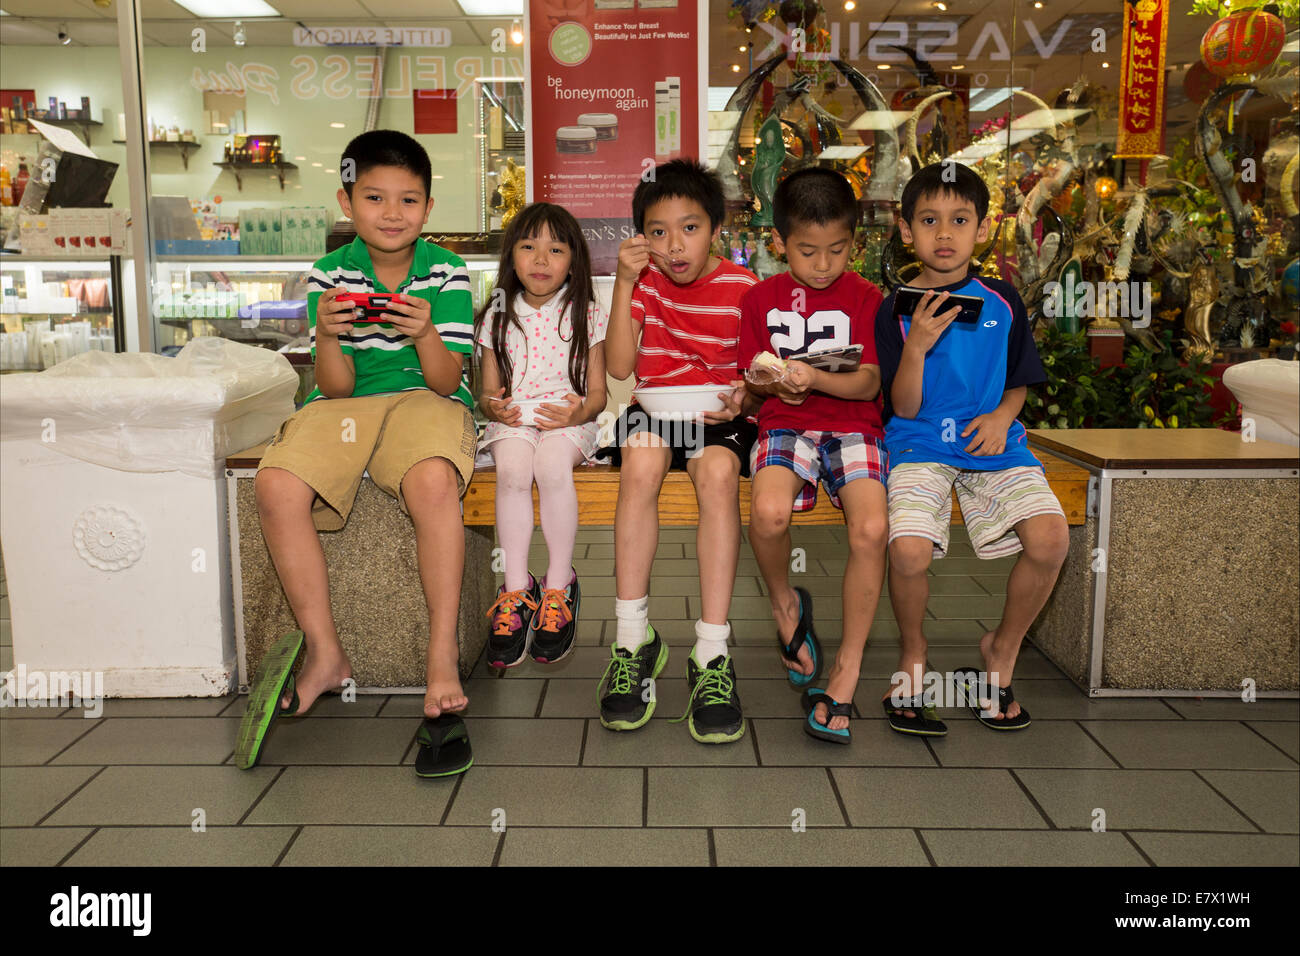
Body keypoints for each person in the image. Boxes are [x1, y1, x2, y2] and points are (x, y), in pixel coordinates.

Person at [249, 130, 478, 773]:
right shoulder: (329, 273)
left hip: (424, 400)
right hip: (345, 407)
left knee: (433, 482)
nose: (392, 212)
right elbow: (336, 386)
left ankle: (439, 654)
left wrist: (426, 330)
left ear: (429, 208)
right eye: (374, 197)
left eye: (409, 199)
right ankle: (325, 652)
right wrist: (324, 332)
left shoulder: (446, 271)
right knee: (275, 486)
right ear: (346, 201)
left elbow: (446, 381)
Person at [874, 161, 1069, 734]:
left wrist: (1002, 416)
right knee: (907, 549)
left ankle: (1001, 652)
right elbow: (902, 407)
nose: (944, 233)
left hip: (994, 444)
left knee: (1051, 539)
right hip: (918, 441)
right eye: (929, 220)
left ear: (983, 229)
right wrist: (918, 347)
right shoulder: (896, 308)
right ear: (905, 230)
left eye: (960, 220)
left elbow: (1020, 380)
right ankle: (913, 654)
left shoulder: (1003, 301)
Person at [599, 158, 758, 743]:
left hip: (717, 418)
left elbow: (758, 373)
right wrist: (621, 282)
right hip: (656, 411)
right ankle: (631, 639)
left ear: (716, 228)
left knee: (717, 473)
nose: (675, 245)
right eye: (658, 232)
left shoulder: (744, 289)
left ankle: (711, 653)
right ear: (642, 238)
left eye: (690, 227)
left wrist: (745, 396)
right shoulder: (641, 285)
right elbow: (618, 366)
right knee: (640, 458)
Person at [737, 167, 889, 744]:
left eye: (837, 250)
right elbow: (753, 379)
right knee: (769, 515)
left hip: (854, 427)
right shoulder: (759, 299)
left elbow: (870, 383)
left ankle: (846, 672)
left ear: (855, 241)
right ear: (779, 243)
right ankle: (784, 604)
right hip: (785, 425)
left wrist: (818, 379)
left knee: (872, 527)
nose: (823, 264)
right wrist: (770, 383)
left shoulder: (869, 298)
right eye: (807, 251)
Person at [476, 202, 608, 670]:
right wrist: (493, 404)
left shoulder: (585, 311)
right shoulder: (495, 314)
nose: (540, 259)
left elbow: (598, 394)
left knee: (551, 468)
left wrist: (578, 413)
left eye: (555, 249)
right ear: (511, 255)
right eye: (528, 247)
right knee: (512, 470)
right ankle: (515, 588)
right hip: (514, 421)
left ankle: (558, 583)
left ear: (574, 259)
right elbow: (485, 393)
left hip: (568, 422)